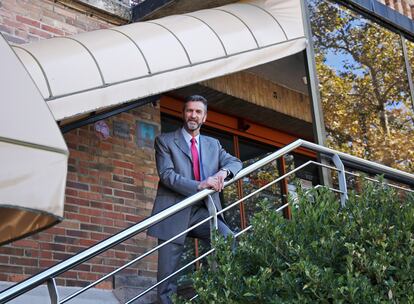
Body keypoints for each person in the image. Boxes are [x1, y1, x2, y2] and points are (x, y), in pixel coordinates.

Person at [147, 95, 242, 304]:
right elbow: (167, 175)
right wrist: (201, 184)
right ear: (183, 114)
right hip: (174, 209)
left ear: (204, 118)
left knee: (227, 238)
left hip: (203, 211)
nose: (193, 115)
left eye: (198, 112)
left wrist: (222, 174)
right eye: (190, 110)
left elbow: (235, 162)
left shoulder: (213, 144)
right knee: (166, 278)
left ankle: (211, 291)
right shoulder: (165, 141)